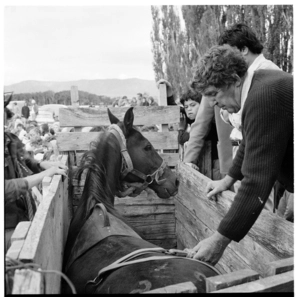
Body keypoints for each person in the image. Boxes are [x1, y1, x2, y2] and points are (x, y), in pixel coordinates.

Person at [185, 44, 292, 265]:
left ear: (234, 79)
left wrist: (218, 241)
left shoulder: (263, 96)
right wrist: (228, 179)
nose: (214, 103)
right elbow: (251, 141)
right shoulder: (259, 85)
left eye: (214, 94)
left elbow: (256, 182)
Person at [4, 95, 68, 252]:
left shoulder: (9, 139)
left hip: (22, 215)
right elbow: (6, 189)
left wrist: (44, 164)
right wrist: (43, 175)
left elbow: (26, 160)